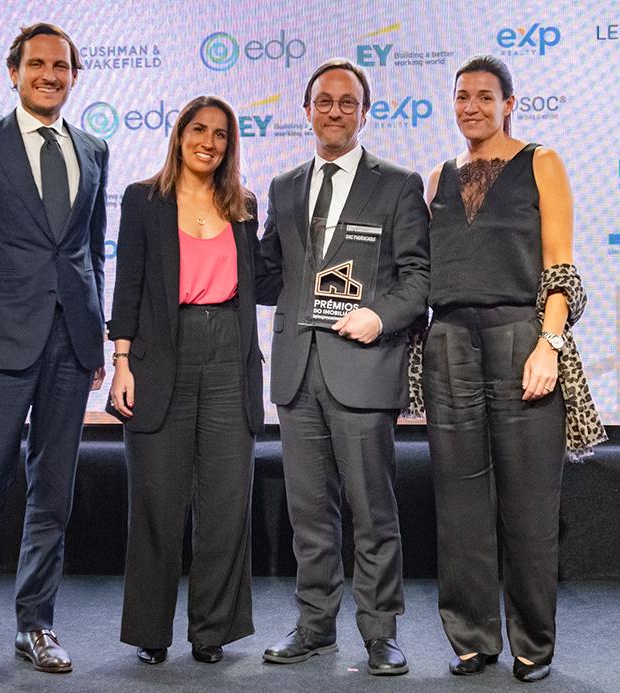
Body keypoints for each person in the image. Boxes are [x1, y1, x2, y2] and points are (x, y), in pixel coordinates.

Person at [0, 22, 109, 687]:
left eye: (61, 65)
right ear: (14, 72)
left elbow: (91, 251)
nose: (50, 74)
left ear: (73, 74)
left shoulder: (93, 149)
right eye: (37, 64)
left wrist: (93, 335)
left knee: (52, 492)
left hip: (70, 344)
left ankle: (36, 622)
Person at [423, 54, 605, 683]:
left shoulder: (541, 162)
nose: (471, 106)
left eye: (484, 96)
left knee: (529, 506)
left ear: (508, 104)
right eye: (462, 96)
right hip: (447, 343)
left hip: (520, 337)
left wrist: (548, 345)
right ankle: (473, 639)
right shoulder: (437, 176)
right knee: (459, 505)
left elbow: (560, 266)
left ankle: (533, 645)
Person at [258, 58, 430, 677]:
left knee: (372, 511)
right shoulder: (282, 186)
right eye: (324, 101)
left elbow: (419, 278)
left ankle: (380, 633)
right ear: (307, 111)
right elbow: (268, 274)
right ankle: (314, 626)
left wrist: (380, 317)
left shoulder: (398, 183)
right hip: (297, 372)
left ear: (364, 111)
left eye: (347, 102)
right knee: (309, 512)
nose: (334, 111)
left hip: (363, 365)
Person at [106, 95, 264, 667]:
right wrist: (122, 361)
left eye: (221, 134)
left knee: (225, 503)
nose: (209, 142)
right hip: (159, 358)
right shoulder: (144, 200)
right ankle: (151, 629)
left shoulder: (243, 204)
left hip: (229, 359)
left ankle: (211, 631)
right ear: (179, 136)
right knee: (157, 501)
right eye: (199, 130)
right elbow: (128, 286)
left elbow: (259, 281)